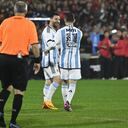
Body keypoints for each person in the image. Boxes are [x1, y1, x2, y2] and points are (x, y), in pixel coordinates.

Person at [0, 1, 40, 128]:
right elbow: (34, 45)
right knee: (19, 91)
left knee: (7, 87)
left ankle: (0, 115)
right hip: (19, 60)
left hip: (3, 58)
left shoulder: (5, 22)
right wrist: (37, 61)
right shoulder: (29, 24)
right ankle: (13, 122)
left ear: (14, 10)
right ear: (26, 11)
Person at [55, 13, 83, 111]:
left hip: (63, 61)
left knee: (64, 83)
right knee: (72, 84)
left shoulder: (60, 32)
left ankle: (65, 103)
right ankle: (68, 102)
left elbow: (55, 44)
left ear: (65, 20)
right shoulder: (79, 32)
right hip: (75, 62)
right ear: (74, 20)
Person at [41, 13, 61, 110]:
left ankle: (46, 101)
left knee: (48, 82)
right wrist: (59, 42)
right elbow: (50, 44)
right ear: (50, 19)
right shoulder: (48, 30)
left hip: (48, 59)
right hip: (50, 60)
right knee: (57, 79)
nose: (58, 21)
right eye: (56, 19)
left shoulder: (53, 30)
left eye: (59, 19)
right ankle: (47, 101)